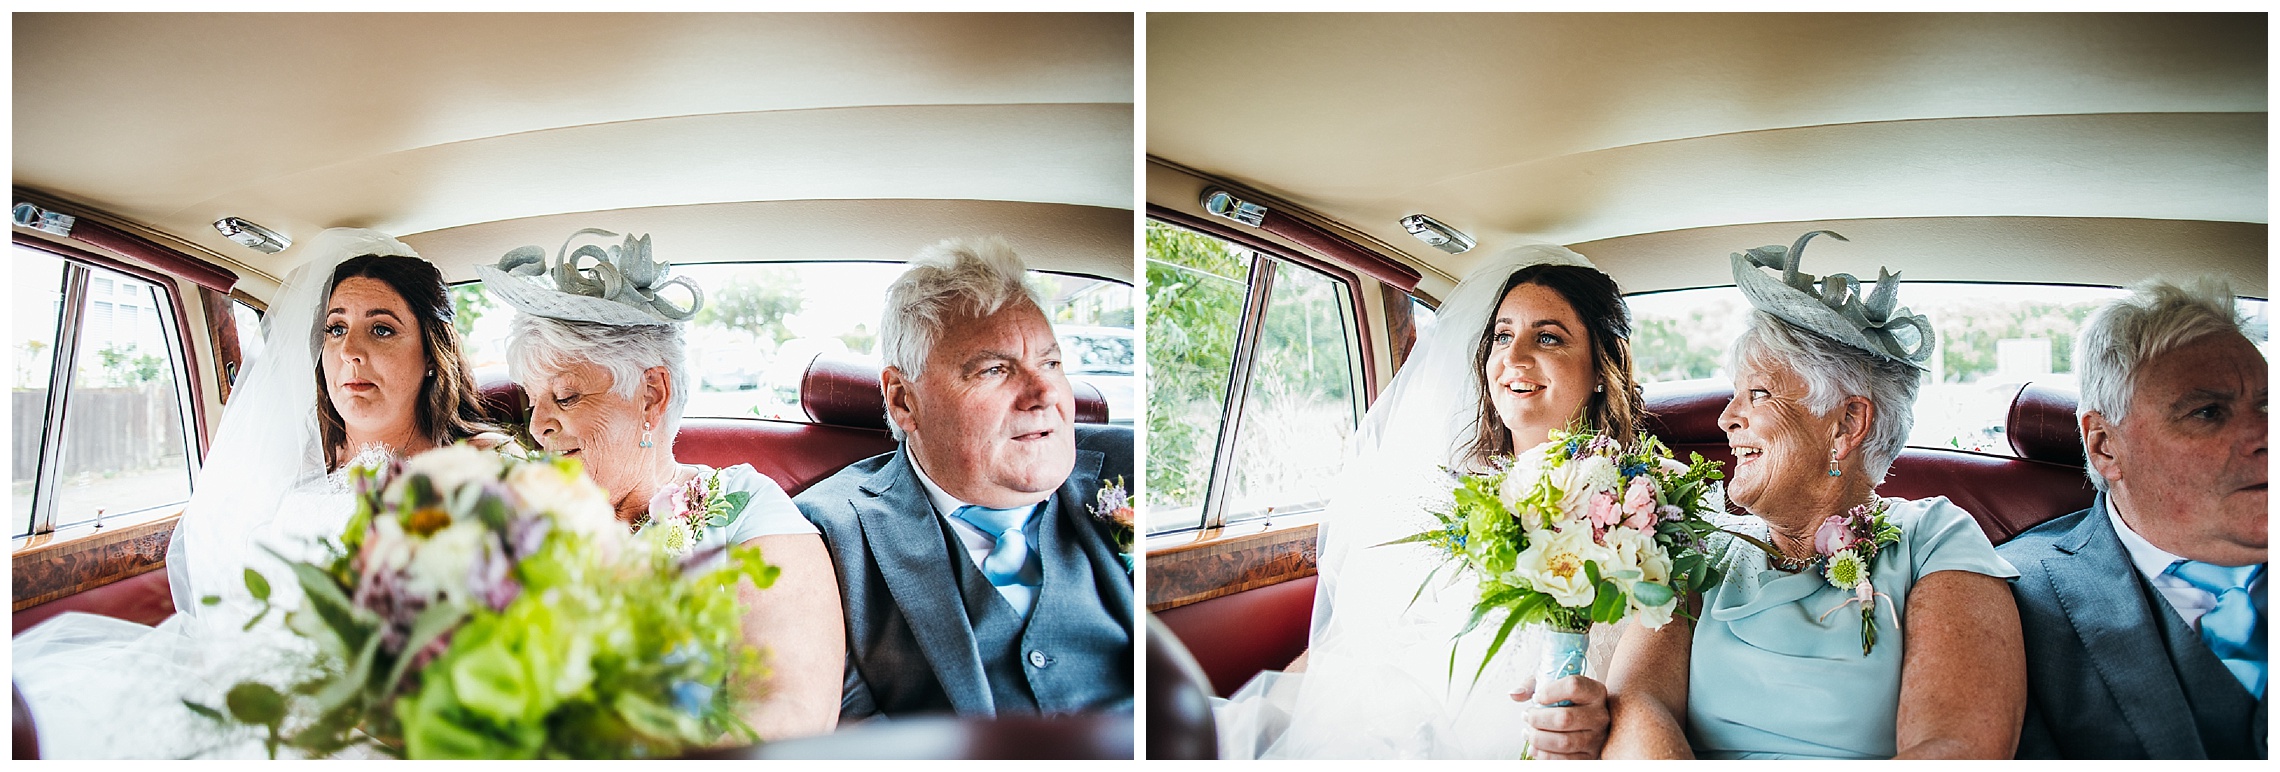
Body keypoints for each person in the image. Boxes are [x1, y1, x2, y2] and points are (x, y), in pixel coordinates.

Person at [12, 229, 503, 758]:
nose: (350, 353)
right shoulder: (292, 460)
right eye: (335, 330)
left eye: (381, 330)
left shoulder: (480, 468)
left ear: (432, 352)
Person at [1599, 231, 2024, 759]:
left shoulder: (1934, 538)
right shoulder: (1701, 548)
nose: (1726, 419)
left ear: (1846, 423)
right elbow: (1636, 705)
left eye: (1758, 394)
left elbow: (1958, 748)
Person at [1211, 244, 1645, 759]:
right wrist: (1282, 712)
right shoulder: (1442, 493)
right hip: (1408, 722)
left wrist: (1607, 718)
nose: (1514, 357)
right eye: (1503, 336)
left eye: (1547, 337)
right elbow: (1371, 632)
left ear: (1601, 368)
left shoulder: (1645, 501)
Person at [478, 229, 844, 741]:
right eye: (531, 401)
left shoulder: (748, 508)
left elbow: (787, 712)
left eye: (565, 397)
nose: (538, 427)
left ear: (651, 394)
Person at [793, 236, 1135, 720]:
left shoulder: (1132, 469)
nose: (1044, 394)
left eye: (1051, 363)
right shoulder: (826, 534)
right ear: (903, 401)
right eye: (995, 369)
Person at [1998, 276, 2266, 759]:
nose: (2266, 435)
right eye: (2208, 412)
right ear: (2104, 446)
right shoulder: (2012, 593)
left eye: (2272, 406)